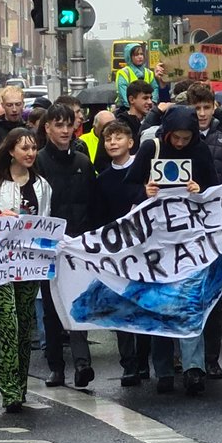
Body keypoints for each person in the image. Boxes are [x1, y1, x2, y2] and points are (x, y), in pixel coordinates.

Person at [127, 105, 219, 393]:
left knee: (190, 302)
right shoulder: (149, 148)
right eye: (176, 138)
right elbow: (127, 188)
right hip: (157, 241)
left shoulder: (201, 150)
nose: (180, 143)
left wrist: (199, 188)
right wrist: (145, 191)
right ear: (167, 133)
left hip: (190, 241)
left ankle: (194, 369)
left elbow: (216, 189)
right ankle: (163, 370)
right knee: (161, 303)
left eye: (185, 138)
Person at [0, 128, 51, 412]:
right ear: (10, 151)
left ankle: (21, 385)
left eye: (33, 148)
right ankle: (8, 390)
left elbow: (46, 223)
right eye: (24, 148)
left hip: (29, 263)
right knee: (9, 323)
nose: (30, 153)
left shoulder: (42, 184)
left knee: (25, 325)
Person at [34, 102, 96, 388]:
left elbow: (94, 200)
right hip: (48, 245)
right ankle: (56, 366)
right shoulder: (38, 161)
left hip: (78, 244)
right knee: (50, 306)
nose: (64, 131)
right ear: (47, 128)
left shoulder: (83, 162)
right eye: (58, 125)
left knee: (78, 301)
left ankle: (82, 363)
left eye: (68, 125)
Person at [186, 81, 222, 379]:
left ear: (214, 107)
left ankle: (212, 357)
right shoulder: (178, 138)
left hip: (218, 223)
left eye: (206, 107)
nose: (202, 113)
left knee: (215, 292)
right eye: (196, 108)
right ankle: (187, 359)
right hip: (187, 226)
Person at [95, 120, 150, 386]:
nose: (113, 143)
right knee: (120, 306)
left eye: (118, 138)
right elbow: (100, 216)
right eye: (108, 139)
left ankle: (143, 360)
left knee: (143, 303)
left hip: (144, 248)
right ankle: (128, 363)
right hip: (116, 251)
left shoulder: (144, 174)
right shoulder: (103, 179)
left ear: (131, 142)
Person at [0, 86, 25, 155]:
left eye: (18, 104)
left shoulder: (30, 131)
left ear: (23, 104)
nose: (14, 109)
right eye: (9, 105)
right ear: (3, 105)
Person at [114, 79, 156, 148]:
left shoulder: (153, 120)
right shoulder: (121, 124)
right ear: (132, 100)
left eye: (151, 98)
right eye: (145, 98)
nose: (150, 102)